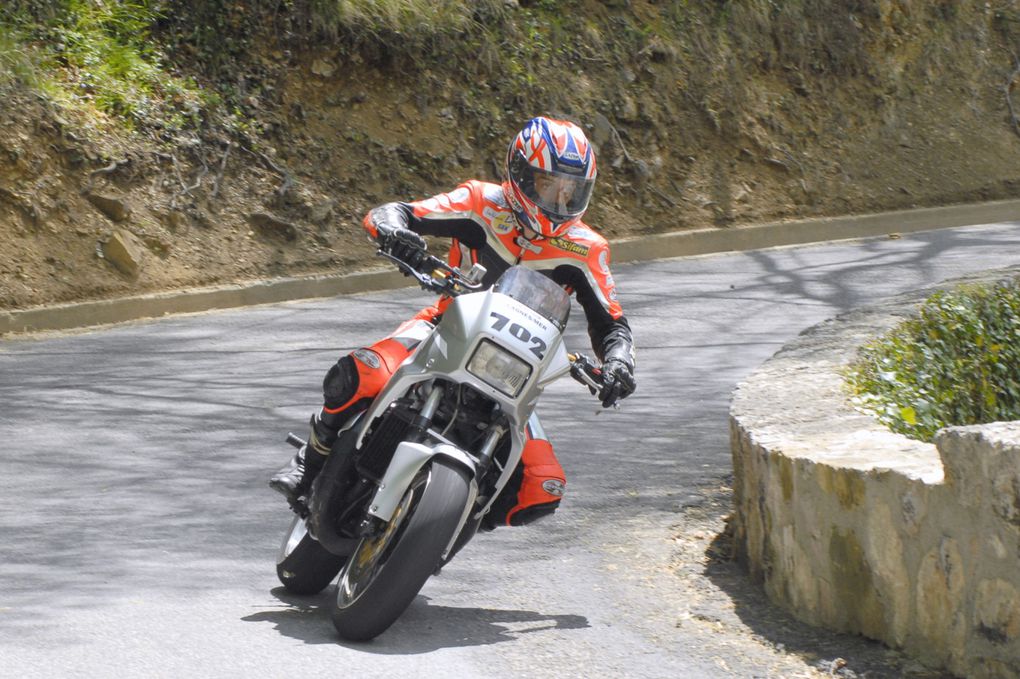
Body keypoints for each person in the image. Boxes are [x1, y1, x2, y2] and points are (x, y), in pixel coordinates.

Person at [270, 116, 636, 527]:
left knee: (541, 487)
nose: (559, 200)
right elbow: (397, 212)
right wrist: (395, 232)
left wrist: (619, 362)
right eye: (548, 185)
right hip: (443, 328)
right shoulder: (481, 201)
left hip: (516, 370)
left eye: (572, 190)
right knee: (358, 376)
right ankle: (310, 461)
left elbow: (612, 324)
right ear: (519, 174)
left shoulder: (588, 248)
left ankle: (448, 523)